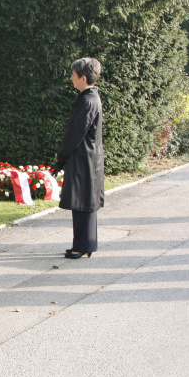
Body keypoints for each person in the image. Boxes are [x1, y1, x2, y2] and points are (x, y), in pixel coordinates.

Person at [55, 57, 104, 259]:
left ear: (83, 78)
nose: (71, 78)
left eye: (73, 75)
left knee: (82, 203)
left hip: (84, 158)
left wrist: (61, 156)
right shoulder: (92, 98)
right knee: (85, 202)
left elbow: (74, 133)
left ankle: (83, 245)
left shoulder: (87, 100)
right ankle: (84, 244)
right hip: (89, 157)